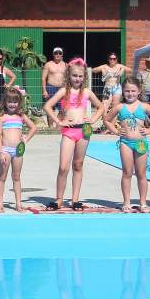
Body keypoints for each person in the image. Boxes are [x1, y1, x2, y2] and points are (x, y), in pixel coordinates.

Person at [43, 58, 105, 211]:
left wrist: (92, 119)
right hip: (69, 132)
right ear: (68, 76)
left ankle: (75, 199)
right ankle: (58, 199)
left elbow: (101, 107)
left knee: (78, 165)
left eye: (80, 76)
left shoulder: (87, 92)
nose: (77, 79)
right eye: (74, 75)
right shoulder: (64, 91)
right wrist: (59, 121)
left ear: (84, 77)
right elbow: (47, 106)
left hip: (83, 132)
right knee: (63, 167)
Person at [104, 78, 150, 213]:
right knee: (127, 172)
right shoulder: (119, 107)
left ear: (139, 91)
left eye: (133, 91)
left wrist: (148, 130)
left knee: (141, 173)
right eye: (127, 91)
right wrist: (116, 131)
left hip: (141, 142)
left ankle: (143, 202)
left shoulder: (144, 106)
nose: (130, 94)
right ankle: (127, 202)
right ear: (123, 92)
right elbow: (106, 119)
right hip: (125, 143)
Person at [0, 86, 38, 213]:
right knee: (2, 176)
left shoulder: (21, 116)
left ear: (19, 103)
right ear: (5, 102)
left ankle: (18, 203)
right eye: (9, 101)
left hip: (18, 152)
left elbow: (34, 128)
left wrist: (25, 139)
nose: (12, 104)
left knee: (17, 177)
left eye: (15, 101)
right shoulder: (2, 118)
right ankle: (0, 203)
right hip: (6, 151)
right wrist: (1, 151)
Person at [92, 52, 129, 119]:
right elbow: (93, 70)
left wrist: (123, 70)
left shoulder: (119, 66)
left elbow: (130, 70)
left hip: (117, 88)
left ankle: (112, 124)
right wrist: (103, 70)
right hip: (107, 88)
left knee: (115, 107)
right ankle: (105, 123)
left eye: (114, 59)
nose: (112, 60)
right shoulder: (105, 66)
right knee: (104, 106)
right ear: (108, 59)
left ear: (116, 59)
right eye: (110, 59)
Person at [41, 48, 67, 127]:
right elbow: (43, 78)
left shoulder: (66, 65)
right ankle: (50, 128)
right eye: (56, 53)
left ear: (62, 54)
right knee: (50, 109)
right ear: (53, 54)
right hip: (51, 87)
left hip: (62, 89)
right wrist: (44, 90)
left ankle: (58, 128)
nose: (58, 55)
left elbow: (69, 78)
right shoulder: (48, 64)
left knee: (62, 109)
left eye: (60, 53)